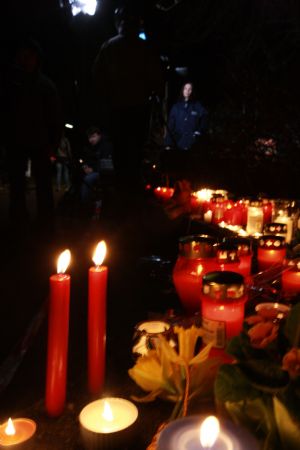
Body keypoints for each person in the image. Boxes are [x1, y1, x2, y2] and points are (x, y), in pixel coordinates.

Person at [93, 4, 164, 198]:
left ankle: (124, 198)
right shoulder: (145, 48)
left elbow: (98, 81)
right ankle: (131, 199)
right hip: (136, 112)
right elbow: (157, 81)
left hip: (119, 112)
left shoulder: (109, 47)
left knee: (122, 159)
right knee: (133, 159)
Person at [0, 37, 63, 230]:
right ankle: (18, 221)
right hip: (16, 141)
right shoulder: (11, 85)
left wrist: (54, 141)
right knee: (17, 184)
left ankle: (45, 222)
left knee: (43, 184)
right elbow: (5, 112)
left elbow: (54, 116)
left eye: (30, 56)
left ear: (37, 58)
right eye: (22, 55)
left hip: (39, 141)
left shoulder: (45, 85)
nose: (25, 59)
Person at [165, 82, 208, 151]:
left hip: (192, 143)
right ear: (182, 90)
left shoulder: (197, 105)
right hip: (178, 142)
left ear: (192, 91)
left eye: (189, 89)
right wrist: (168, 143)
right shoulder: (176, 107)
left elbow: (205, 117)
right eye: (185, 88)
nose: (187, 91)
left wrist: (199, 131)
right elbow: (170, 126)